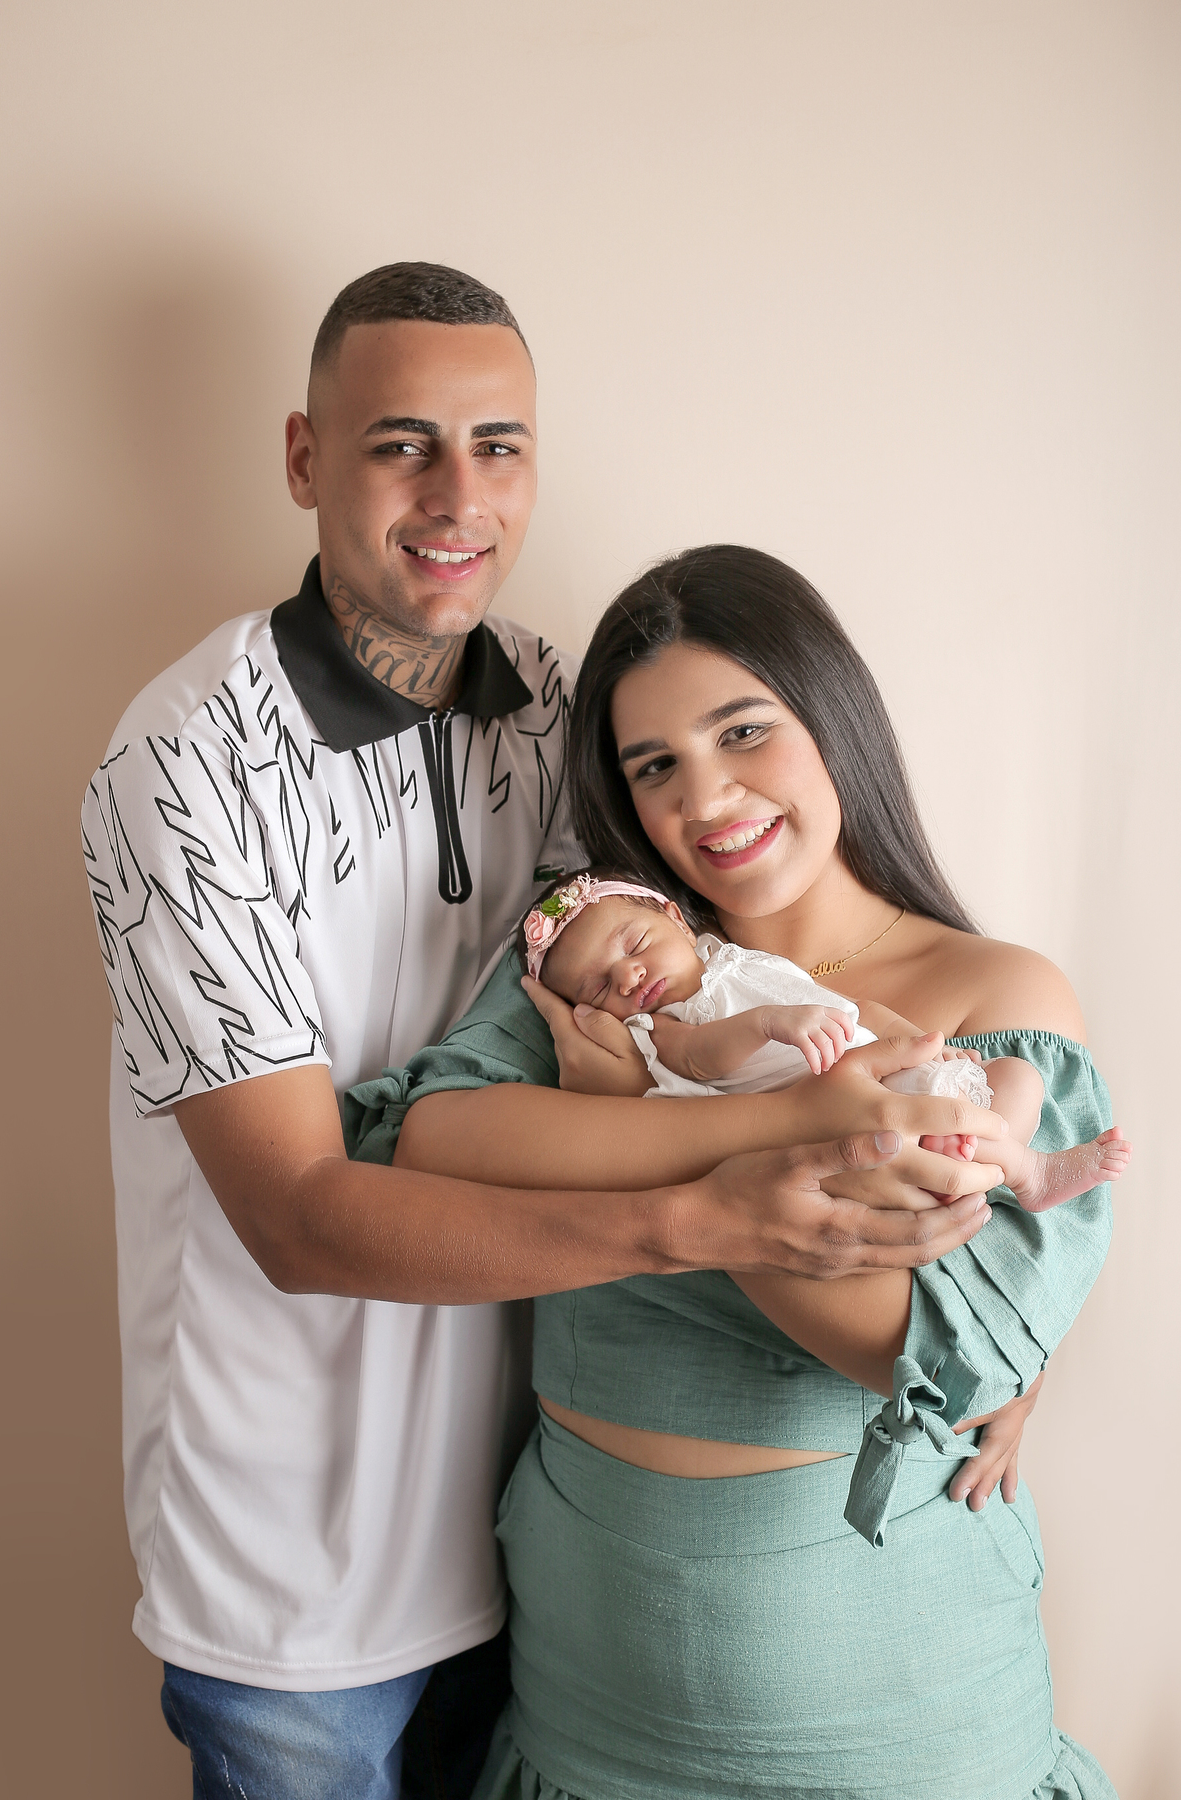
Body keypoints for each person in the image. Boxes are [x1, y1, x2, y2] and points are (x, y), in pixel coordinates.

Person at [80, 271, 1011, 1800]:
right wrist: (697, 1218)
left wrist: (1004, 1319)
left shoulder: (564, 709)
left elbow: (705, 1005)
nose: (458, 496)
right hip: (291, 1585)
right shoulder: (186, 762)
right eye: (402, 444)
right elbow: (297, 1217)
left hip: (534, 1543)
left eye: (498, 446)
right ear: (306, 460)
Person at [349, 545, 1116, 1797]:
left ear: (833, 716)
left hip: (899, 1701)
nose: (705, 800)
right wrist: (764, 1123)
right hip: (588, 1701)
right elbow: (435, 1147)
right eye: (654, 765)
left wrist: (615, 1123)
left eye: (743, 731)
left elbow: (907, 1344)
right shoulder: (608, 953)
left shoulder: (989, 994)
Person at [520, 867, 1131, 1214]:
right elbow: (699, 1062)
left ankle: (983, 1158)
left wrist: (924, 1044)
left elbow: (856, 1010)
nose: (628, 978)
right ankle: (1026, 1173)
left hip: (883, 1067)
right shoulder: (663, 1026)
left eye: (634, 946)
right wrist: (765, 1024)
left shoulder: (734, 959)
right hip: (829, 1117)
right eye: (599, 988)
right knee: (913, 1145)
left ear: (675, 920)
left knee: (1018, 1079)